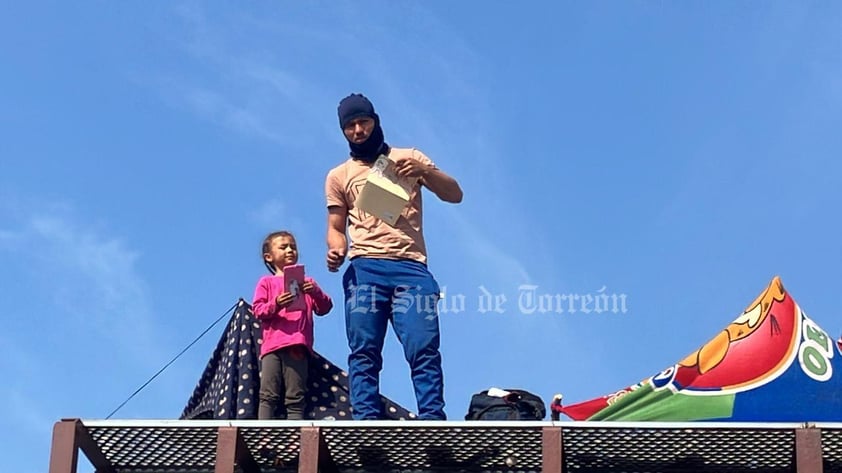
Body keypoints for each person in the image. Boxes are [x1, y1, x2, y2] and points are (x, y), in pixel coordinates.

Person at [324, 93, 463, 420]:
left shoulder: (407, 157)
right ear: (344, 131)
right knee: (364, 352)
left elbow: (455, 194)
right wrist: (336, 248)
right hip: (364, 269)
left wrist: (424, 171)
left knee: (423, 348)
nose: (358, 130)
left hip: (411, 269)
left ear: (375, 120)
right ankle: (366, 421)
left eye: (363, 122)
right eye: (350, 126)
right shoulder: (339, 176)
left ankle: (432, 419)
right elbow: (334, 226)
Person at [252, 231, 333, 420]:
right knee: (268, 394)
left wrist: (315, 291)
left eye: (293, 247)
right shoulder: (266, 282)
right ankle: (265, 438)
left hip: (298, 345)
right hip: (272, 347)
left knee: (295, 396)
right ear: (269, 257)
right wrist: (277, 303)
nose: (290, 250)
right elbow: (258, 310)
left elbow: (325, 307)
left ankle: (294, 440)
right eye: (283, 247)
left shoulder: (307, 284)